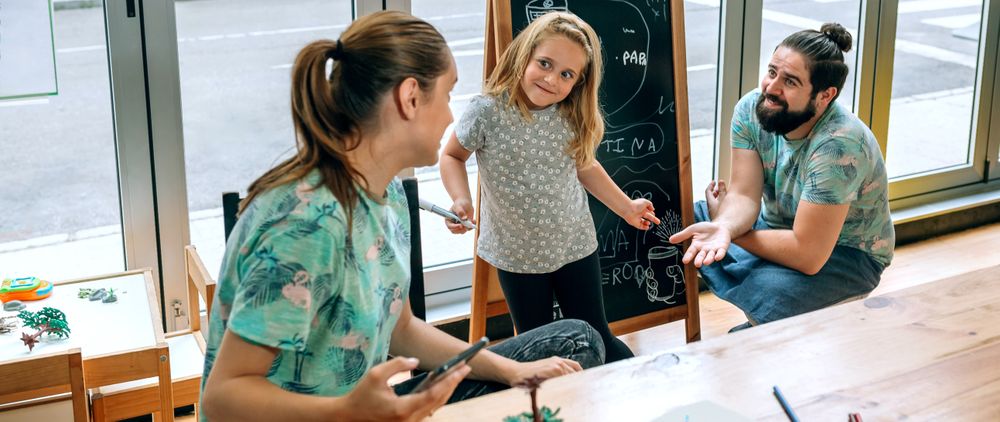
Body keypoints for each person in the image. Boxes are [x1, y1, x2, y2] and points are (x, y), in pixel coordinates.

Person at [199, 11, 605, 422]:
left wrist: (510, 370)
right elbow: (221, 398)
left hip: (362, 411)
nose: (450, 116)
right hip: (341, 415)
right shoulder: (306, 225)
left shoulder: (389, 194)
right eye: (447, 95)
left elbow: (402, 328)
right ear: (410, 97)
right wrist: (347, 412)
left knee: (577, 340)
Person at [439, 12, 659, 363]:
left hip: (574, 245)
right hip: (517, 256)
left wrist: (626, 207)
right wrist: (460, 198)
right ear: (524, 55)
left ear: (578, 83)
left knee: (597, 334)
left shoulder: (570, 115)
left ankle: (633, 385)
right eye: (544, 63)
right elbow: (452, 155)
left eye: (566, 74)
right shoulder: (486, 112)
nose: (551, 79)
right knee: (538, 346)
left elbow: (586, 167)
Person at [669, 23, 894, 332]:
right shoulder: (751, 109)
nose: (771, 88)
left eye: (790, 81)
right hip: (779, 226)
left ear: (825, 96)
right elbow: (744, 194)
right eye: (772, 72)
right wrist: (723, 225)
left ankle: (765, 326)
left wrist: (732, 232)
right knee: (689, 218)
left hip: (845, 256)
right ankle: (766, 316)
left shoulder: (839, 144)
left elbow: (808, 254)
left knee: (768, 292)